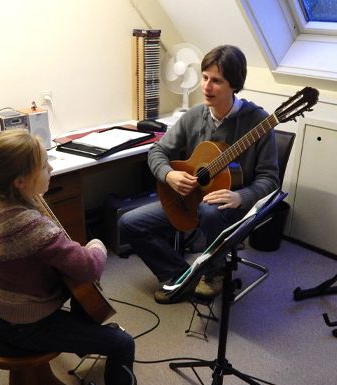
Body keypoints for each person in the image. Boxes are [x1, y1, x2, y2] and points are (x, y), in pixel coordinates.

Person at [0, 129, 135, 385]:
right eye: (43, 165)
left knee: (82, 295)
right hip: (28, 325)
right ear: (20, 181)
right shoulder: (30, 226)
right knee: (123, 343)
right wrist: (97, 243)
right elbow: (90, 266)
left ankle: (83, 339)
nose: (50, 168)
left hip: (3, 306)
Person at [119, 44, 279, 304]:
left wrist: (242, 196)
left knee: (209, 210)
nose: (206, 87)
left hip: (235, 207)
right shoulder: (194, 116)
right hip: (191, 199)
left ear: (234, 85)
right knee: (128, 223)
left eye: (216, 81)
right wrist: (169, 175)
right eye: (205, 78)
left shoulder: (259, 123)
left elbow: (270, 180)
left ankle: (215, 272)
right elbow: (157, 152)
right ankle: (182, 274)